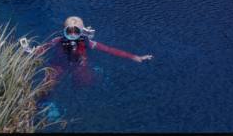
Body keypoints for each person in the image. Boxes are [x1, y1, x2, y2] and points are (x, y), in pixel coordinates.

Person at [21, 16, 153, 88]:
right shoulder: (57, 40)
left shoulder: (87, 42)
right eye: (69, 31)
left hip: (80, 65)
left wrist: (134, 57)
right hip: (59, 65)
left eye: (76, 31)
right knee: (47, 85)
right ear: (63, 31)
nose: (72, 35)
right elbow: (43, 48)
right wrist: (30, 52)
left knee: (85, 84)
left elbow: (110, 50)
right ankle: (45, 105)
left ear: (82, 32)